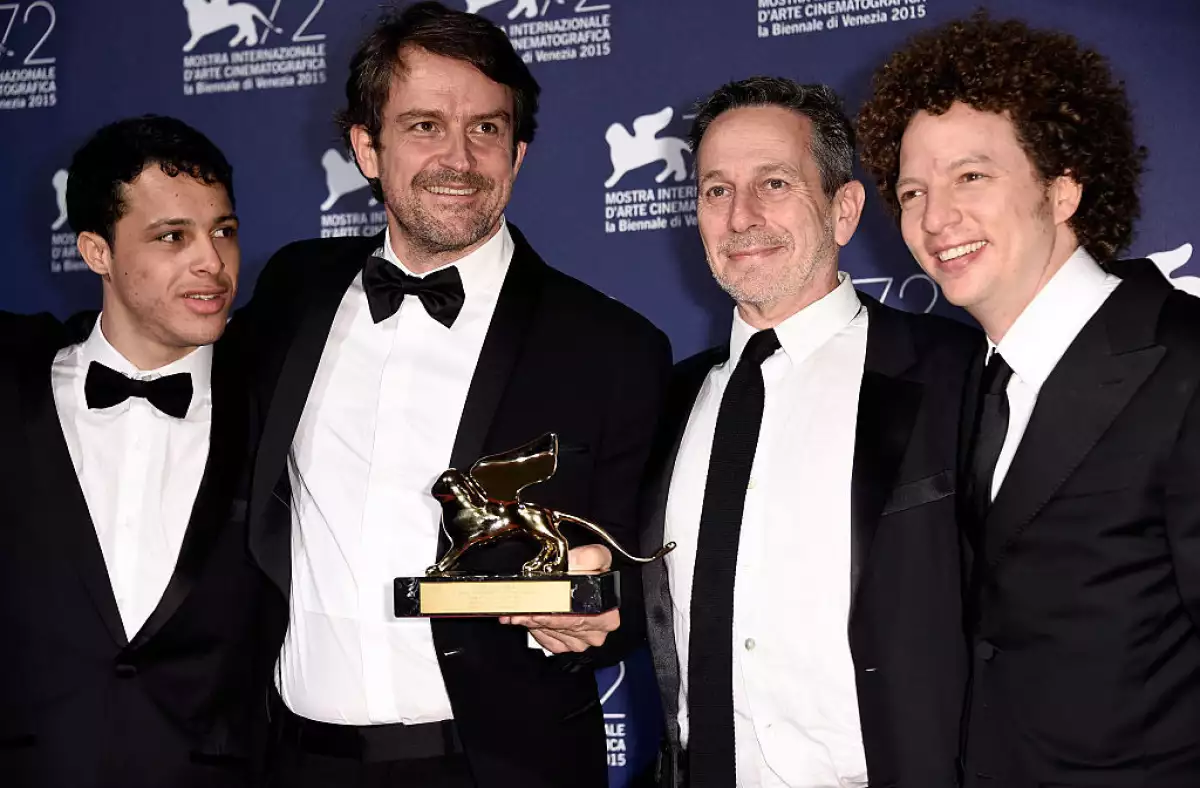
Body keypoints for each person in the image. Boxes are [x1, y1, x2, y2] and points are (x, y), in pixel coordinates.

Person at [230, 3, 671, 786]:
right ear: (367, 148)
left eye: (486, 129)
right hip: (296, 760)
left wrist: (603, 602)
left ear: (518, 152)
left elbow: (650, 578)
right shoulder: (294, 291)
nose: (459, 159)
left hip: (502, 767)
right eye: (425, 125)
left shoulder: (614, 347)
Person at [857, 12, 1200, 786]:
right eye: (912, 191)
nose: (935, 218)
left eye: (971, 177)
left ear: (1063, 188)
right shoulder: (971, 382)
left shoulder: (1185, 362)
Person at [640, 76, 978, 788]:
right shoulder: (663, 400)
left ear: (843, 209)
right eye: (716, 191)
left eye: (774, 184)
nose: (741, 217)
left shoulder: (955, 374)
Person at [0, 115, 283, 788]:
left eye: (223, 231)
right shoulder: (12, 388)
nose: (212, 261)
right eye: (172, 236)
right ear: (97, 252)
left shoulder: (279, 402)